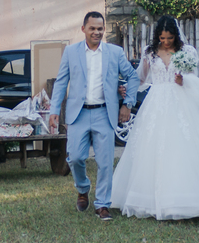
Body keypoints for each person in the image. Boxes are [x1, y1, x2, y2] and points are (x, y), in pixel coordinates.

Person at [111, 16, 199, 220]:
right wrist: (128, 87)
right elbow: (141, 77)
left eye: (169, 37)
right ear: (157, 36)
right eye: (162, 38)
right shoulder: (150, 52)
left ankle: (194, 196)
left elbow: (194, 77)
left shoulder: (187, 52)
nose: (166, 42)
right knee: (151, 147)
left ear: (175, 35)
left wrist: (183, 79)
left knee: (184, 144)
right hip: (156, 101)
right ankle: (150, 197)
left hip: (180, 100)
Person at [48, 12, 139, 221]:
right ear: (84, 29)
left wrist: (128, 103)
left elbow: (132, 76)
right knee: (76, 157)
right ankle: (83, 188)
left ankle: (102, 205)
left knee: (106, 162)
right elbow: (61, 82)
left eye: (100, 28)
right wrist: (54, 110)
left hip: (104, 113)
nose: (97, 32)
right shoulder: (71, 52)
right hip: (78, 114)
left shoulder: (115, 53)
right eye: (92, 28)